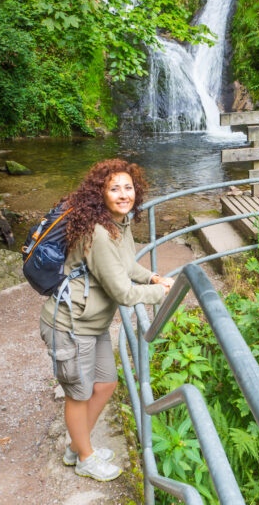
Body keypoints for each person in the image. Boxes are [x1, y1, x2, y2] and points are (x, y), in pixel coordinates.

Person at [39, 159, 174, 481]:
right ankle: (85, 457)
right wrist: (167, 293)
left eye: (128, 188)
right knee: (79, 394)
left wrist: (153, 278)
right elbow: (123, 292)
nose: (123, 194)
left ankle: (78, 445)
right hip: (70, 326)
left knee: (107, 384)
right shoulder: (98, 234)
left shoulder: (119, 223)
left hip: (92, 323)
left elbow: (126, 267)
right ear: (100, 194)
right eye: (114, 188)